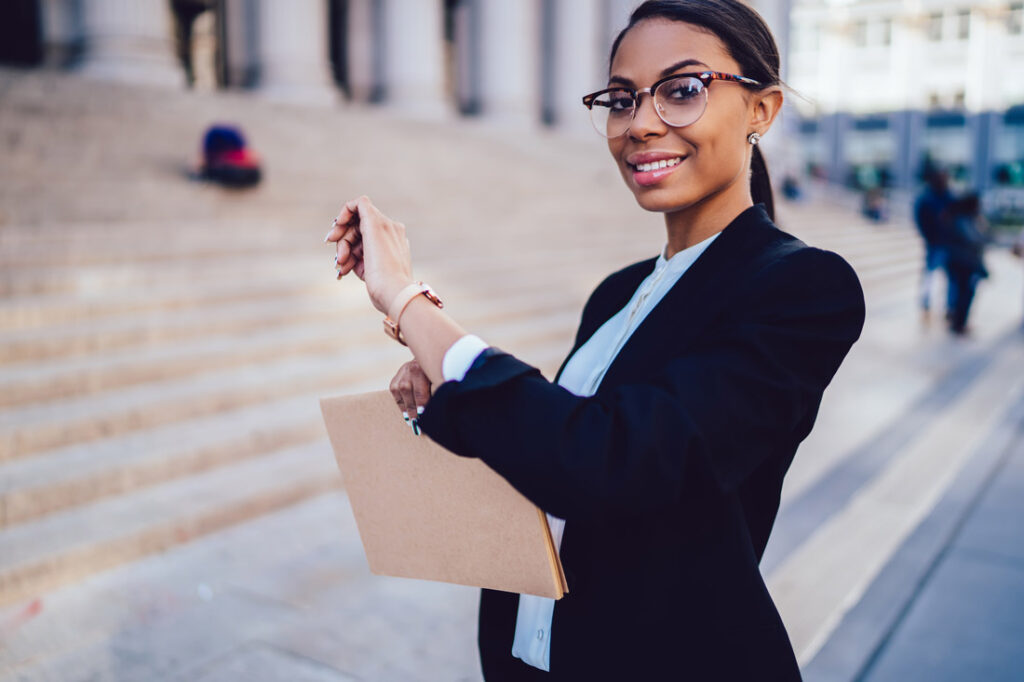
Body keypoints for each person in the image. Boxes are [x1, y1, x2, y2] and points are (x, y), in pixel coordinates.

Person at [325, 1, 865, 678]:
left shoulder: (803, 287)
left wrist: (406, 300)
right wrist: (445, 391)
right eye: (621, 99)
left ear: (762, 110)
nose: (640, 123)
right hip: (531, 659)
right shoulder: (617, 291)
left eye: (682, 90)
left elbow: (611, 463)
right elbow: (556, 451)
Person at [944, 194, 989, 336]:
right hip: (964, 263)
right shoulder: (963, 219)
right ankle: (958, 325)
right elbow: (977, 239)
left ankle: (959, 323)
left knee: (962, 293)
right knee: (964, 294)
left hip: (963, 262)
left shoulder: (963, 218)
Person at [914, 168, 954, 321]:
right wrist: (929, 236)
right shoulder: (927, 198)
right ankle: (926, 303)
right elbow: (921, 218)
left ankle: (949, 307)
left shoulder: (947, 196)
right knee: (930, 275)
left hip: (946, 243)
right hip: (935, 243)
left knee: (949, 278)